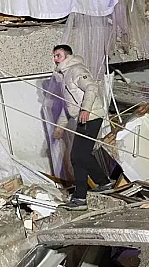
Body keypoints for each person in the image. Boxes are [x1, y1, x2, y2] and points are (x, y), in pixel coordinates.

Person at [51, 45, 112, 211]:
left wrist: (86, 109)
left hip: (91, 116)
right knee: (82, 155)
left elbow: (92, 87)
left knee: (77, 157)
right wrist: (60, 127)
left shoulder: (76, 69)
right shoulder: (65, 76)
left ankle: (80, 198)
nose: (55, 59)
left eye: (58, 55)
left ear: (68, 56)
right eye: (54, 56)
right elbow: (68, 106)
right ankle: (103, 183)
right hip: (83, 118)